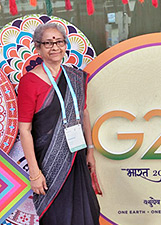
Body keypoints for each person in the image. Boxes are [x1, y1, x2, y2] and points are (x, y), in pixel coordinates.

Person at [17, 23, 100, 225]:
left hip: (76, 157)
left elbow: (83, 112)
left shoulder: (75, 77)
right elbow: (25, 130)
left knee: (87, 212)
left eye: (59, 42)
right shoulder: (30, 81)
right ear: (38, 48)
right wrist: (35, 174)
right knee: (58, 216)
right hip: (48, 164)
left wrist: (90, 150)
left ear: (65, 45)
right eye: (48, 43)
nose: (55, 47)